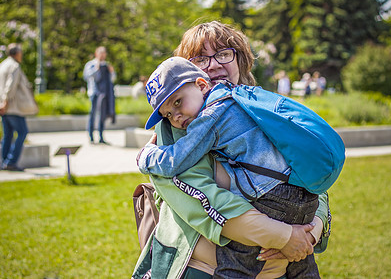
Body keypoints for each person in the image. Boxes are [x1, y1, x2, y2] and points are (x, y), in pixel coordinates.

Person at [132, 21, 331, 279]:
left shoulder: (261, 109)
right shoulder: (172, 134)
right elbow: (208, 203)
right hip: (203, 270)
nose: (214, 65)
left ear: (240, 60)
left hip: (283, 269)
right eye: (201, 58)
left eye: (224, 54)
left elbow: (311, 174)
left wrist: (311, 231)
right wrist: (285, 237)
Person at [0, 43, 30, 171]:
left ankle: (5, 162)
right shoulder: (14, 66)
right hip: (12, 107)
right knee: (23, 132)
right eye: (21, 52)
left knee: (7, 135)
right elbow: (10, 87)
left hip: (2, 107)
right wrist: (5, 103)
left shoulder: (2, 65)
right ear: (17, 54)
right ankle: (11, 161)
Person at [83, 46, 116, 144]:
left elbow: (113, 79)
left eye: (104, 53)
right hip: (94, 93)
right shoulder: (91, 64)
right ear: (96, 53)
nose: (102, 55)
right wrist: (97, 68)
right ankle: (91, 137)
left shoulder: (107, 65)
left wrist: (112, 72)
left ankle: (101, 137)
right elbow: (86, 76)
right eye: (100, 53)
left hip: (104, 94)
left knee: (102, 115)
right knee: (92, 114)